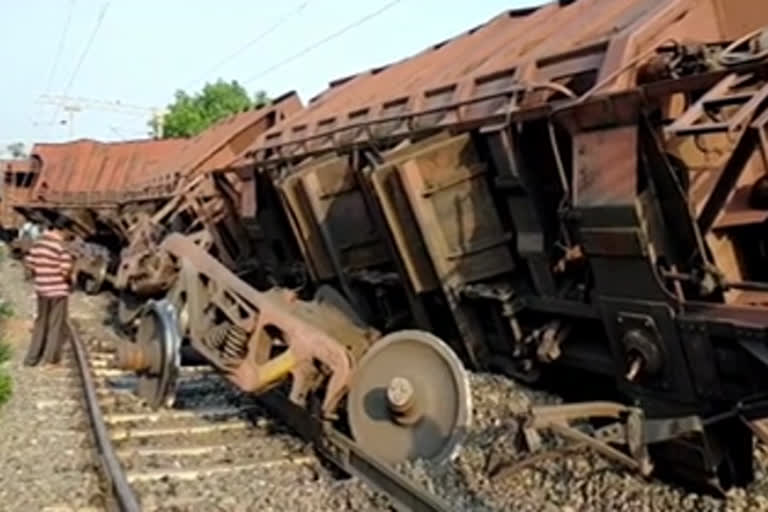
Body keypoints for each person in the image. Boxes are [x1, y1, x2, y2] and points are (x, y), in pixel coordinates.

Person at [23, 219, 75, 367]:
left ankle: (31, 358)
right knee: (55, 325)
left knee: (40, 323)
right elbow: (65, 271)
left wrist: (41, 274)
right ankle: (50, 359)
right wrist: (70, 276)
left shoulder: (38, 244)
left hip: (41, 289)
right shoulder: (61, 247)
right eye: (68, 232)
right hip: (58, 290)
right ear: (63, 230)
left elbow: (30, 264)